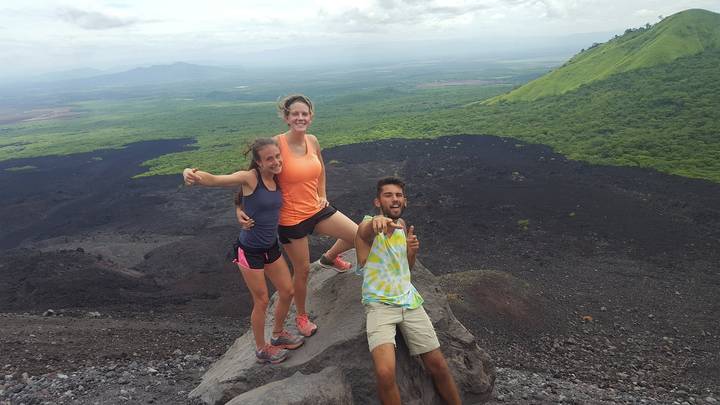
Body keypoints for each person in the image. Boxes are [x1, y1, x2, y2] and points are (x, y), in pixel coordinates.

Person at [237, 94, 358, 337]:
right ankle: (302, 317)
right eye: (295, 114)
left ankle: (330, 257)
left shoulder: (312, 141)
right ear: (286, 117)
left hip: (316, 208)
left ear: (310, 117)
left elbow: (321, 168)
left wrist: (322, 192)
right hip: (291, 220)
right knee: (302, 270)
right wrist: (239, 209)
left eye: (305, 114)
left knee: (358, 235)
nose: (300, 118)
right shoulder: (276, 144)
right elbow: (252, 178)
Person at [182, 138, 304, 365]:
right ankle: (261, 348)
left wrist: (239, 208)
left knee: (287, 291)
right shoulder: (251, 178)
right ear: (258, 163)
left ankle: (277, 335)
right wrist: (192, 173)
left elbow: (243, 199)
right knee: (262, 300)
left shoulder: (278, 177)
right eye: (269, 158)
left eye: (278, 156)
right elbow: (219, 180)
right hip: (250, 251)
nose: (276, 161)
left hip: (270, 246)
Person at [355, 177, 461, 405]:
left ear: (405, 201)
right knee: (384, 373)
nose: (394, 199)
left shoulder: (402, 226)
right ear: (377, 201)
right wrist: (376, 221)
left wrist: (411, 252)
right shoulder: (369, 226)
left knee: (438, 365)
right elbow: (366, 230)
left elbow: (407, 269)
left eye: (398, 195)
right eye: (388, 195)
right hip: (379, 305)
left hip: (410, 303)